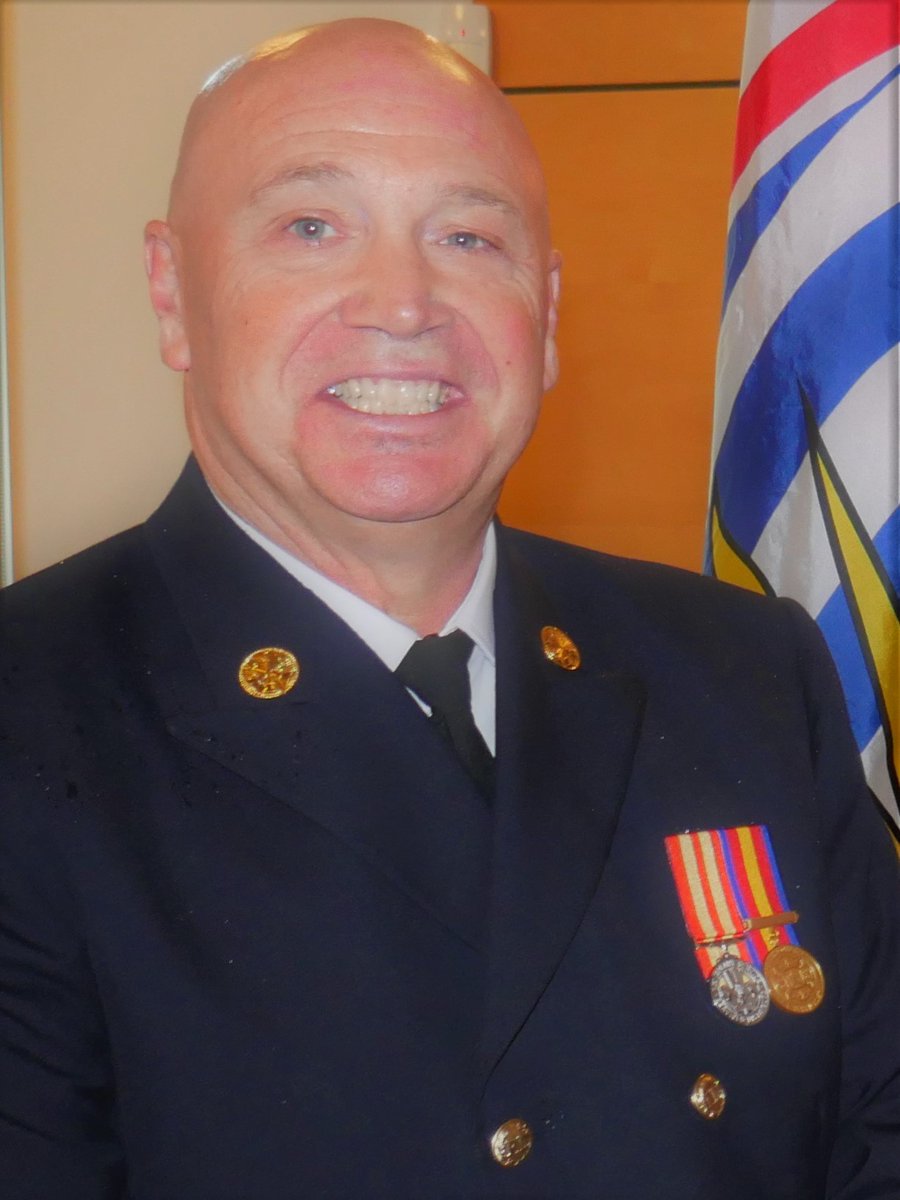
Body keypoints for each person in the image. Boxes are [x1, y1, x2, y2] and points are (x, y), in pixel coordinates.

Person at [0, 18, 897, 1199]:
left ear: (548, 311)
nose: (404, 303)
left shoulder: (744, 673)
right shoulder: (31, 714)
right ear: (173, 291)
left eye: (469, 236)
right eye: (311, 227)